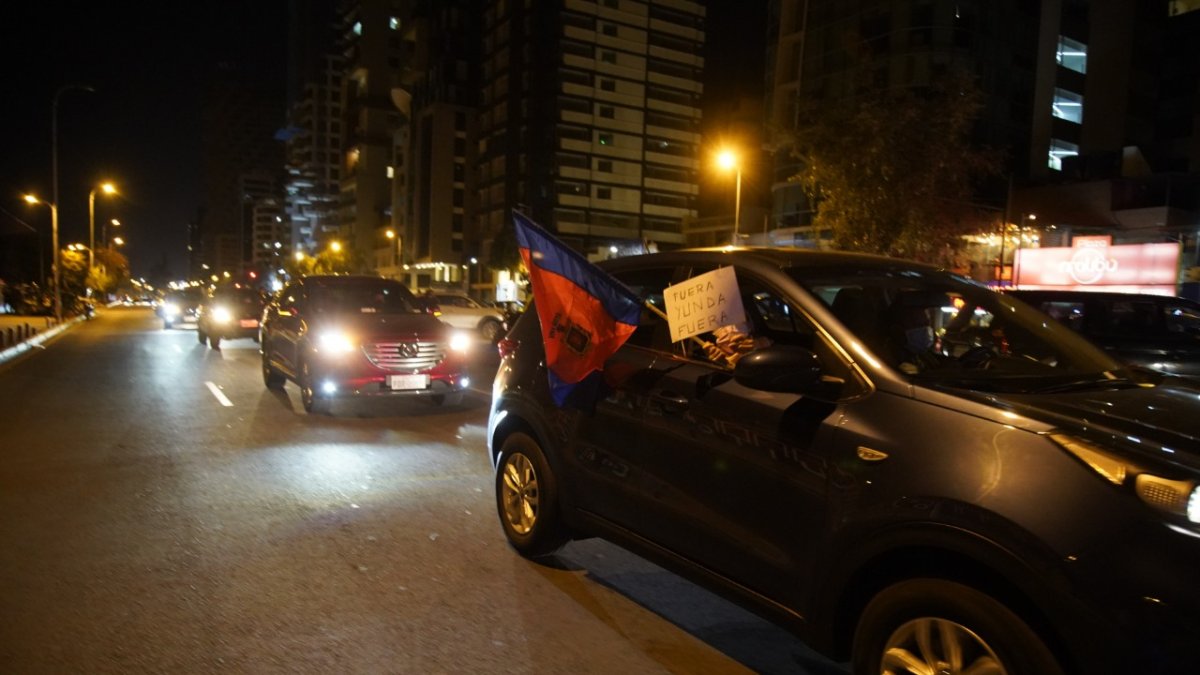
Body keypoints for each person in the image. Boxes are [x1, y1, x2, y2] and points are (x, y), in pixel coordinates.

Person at [703, 321, 771, 367]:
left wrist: (759, 348)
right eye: (722, 329)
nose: (726, 332)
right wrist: (725, 364)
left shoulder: (762, 344)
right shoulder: (714, 355)